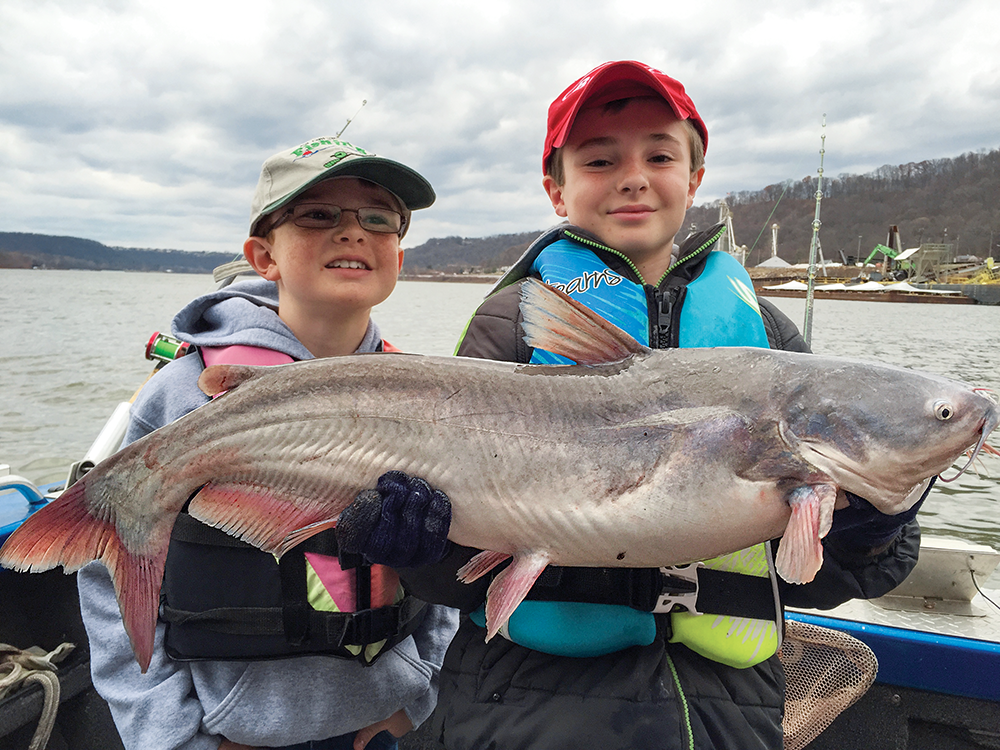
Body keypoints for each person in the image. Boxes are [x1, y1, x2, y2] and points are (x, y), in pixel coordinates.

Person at [338, 62, 925, 750]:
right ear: (557, 189)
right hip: (525, 705)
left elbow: (823, 579)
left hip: (731, 713)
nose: (633, 175)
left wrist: (871, 529)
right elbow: (452, 576)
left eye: (659, 154)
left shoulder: (770, 341)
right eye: (600, 158)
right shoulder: (509, 328)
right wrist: (417, 549)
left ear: (695, 178)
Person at [77, 137, 460, 750]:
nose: (353, 232)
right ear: (264, 255)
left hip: (386, 725)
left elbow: (457, 568)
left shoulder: (434, 395)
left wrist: (417, 699)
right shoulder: (181, 395)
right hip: (233, 731)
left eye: (379, 219)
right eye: (317, 215)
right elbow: (110, 584)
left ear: (399, 256)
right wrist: (173, 739)